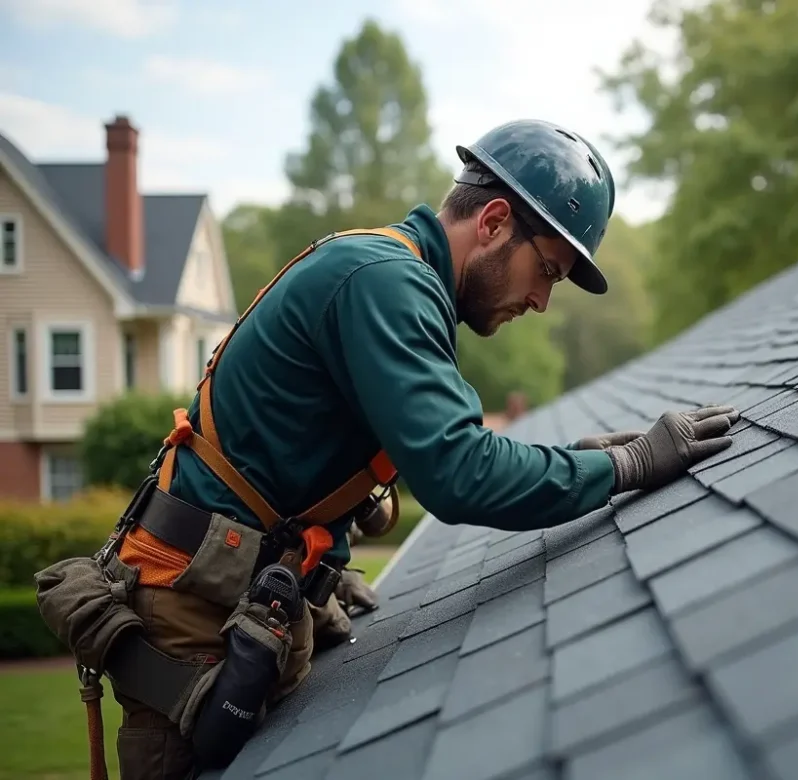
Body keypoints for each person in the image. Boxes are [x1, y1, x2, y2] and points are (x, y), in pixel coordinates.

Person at [36, 118, 739, 780]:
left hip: (224, 611)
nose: (542, 302)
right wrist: (628, 465)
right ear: (494, 224)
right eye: (548, 271)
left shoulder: (395, 278)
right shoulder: (387, 282)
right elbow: (460, 473)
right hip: (190, 639)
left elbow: (308, 451)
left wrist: (325, 566)